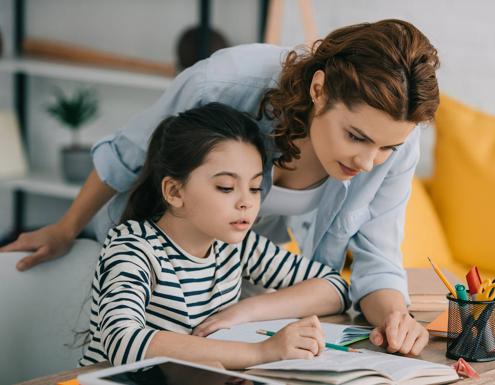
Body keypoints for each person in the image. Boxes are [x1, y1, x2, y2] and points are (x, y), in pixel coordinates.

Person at [2, 19, 440, 356]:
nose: (368, 162)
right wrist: (65, 228)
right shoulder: (227, 82)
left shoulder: (237, 242)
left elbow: (367, 266)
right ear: (320, 90)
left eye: (387, 147)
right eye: (357, 137)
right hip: (164, 265)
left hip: (222, 293)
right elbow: (126, 157)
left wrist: (396, 318)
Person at [79, 103, 350, 368]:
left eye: (255, 187)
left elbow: (335, 287)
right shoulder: (133, 246)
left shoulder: (236, 245)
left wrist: (244, 311)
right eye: (226, 187)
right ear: (174, 192)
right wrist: (261, 352)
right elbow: (123, 341)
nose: (246, 202)